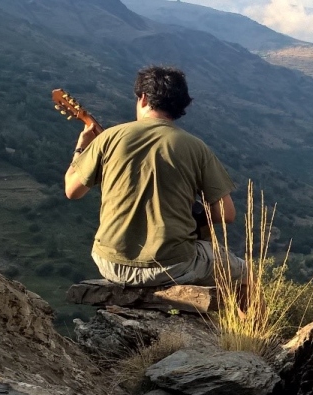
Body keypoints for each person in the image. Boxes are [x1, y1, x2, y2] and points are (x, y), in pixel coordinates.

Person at [64, 65, 246, 291]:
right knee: (245, 273)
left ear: (143, 98)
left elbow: (72, 190)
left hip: (110, 263)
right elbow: (226, 214)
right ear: (180, 105)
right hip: (172, 266)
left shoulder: (109, 138)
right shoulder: (196, 147)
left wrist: (81, 147)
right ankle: (247, 316)